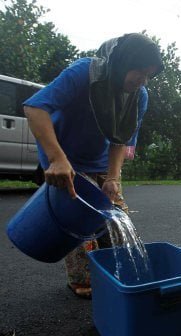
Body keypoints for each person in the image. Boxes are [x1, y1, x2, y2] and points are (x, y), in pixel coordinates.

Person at [23, 33, 164, 298]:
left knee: (119, 225)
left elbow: (120, 140)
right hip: (65, 161)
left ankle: (119, 275)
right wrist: (56, 158)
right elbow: (35, 108)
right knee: (79, 224)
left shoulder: (138, 96)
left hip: (100, 163)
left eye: (149, 76)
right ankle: (81, 279)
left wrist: (113, 177)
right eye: (140, 72)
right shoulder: (83, 73)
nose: (142, 81)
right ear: (124, 61)